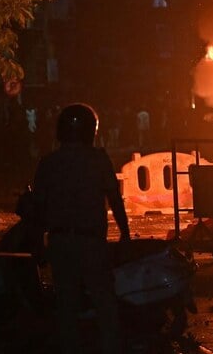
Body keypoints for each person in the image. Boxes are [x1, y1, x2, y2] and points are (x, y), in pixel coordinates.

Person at [30, 103, 130, 354]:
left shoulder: (49, 163)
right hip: (91, 242)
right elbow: (115, 200)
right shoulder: (98, 160)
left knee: (66, 306)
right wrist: (125, 235)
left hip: (60, 242)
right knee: (104, 302)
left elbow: (38, 209)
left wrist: (37, 246)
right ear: (91, 130)